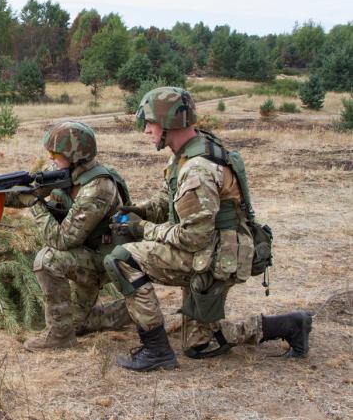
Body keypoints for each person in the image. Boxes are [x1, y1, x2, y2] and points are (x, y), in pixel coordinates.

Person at [105, 86, 312, 372]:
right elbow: (171, 199)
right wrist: (138, 210)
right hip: (213, 251)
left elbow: (192, 237)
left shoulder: (198, 168)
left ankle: (155, 350)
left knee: (120, 258)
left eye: (149, 122)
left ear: (168, 123)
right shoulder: (190, 151)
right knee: (199, 345)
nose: (145, 130)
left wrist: (143, 229)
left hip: (211, 257)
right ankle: (291, 325)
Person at [0, 121, 134, 350]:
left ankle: (60, 337)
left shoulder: (98, 187)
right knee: (78, 324)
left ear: (76, 156)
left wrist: (35, 205)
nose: (50, 158)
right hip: (86, 252)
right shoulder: (65, 173)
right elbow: (27, 194)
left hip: (106, 259)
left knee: (47, 259)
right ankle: (128, 312)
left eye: (55, 153)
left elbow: (62, 240)